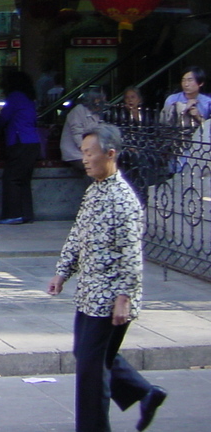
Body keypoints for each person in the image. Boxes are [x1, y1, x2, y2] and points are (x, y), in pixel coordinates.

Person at [47, 124, 167, 432]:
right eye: (83, 153)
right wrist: (63, 272)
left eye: (90, 153)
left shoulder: (124, 199)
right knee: (90, 358)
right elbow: (78, 234)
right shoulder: (95, 190)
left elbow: (131, 253)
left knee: (91, 369)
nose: (84, 159)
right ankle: (145, 393)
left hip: (110, 299)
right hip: (89, 293)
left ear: (110, 154)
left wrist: (124, 299)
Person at [0, 70, 40, 225]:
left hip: (20, 142)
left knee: (11, 178)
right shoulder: (28, 98)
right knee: (24, 180)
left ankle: (13, 214)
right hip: (33, 142)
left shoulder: (15, 97)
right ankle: (26, 214)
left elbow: (3, 118)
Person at [61, 88, 106, 176]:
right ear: (96, 100)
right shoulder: (78, 111)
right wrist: (88, 152)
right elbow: (77, 134)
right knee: (94, 167)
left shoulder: (96, 113)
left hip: (90, 152)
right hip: (74, 153)